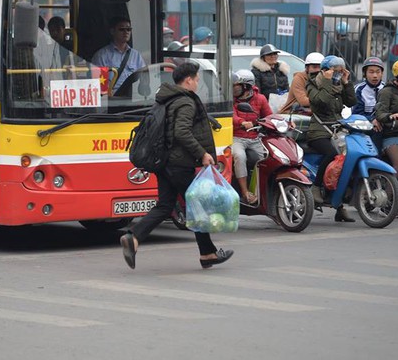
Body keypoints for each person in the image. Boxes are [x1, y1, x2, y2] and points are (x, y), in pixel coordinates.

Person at [119, 62, 234, 270]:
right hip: (179, 164)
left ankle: (133, 238)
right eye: (197, 79)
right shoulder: (185, 102)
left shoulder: (167, 99)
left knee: (165, 206)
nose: (198, 83)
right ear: (188, 79)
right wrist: (203, 153)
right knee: (197, 207)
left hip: (165, 162)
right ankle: (208, 253)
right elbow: (182, 132)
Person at [306, 55, 357, 221]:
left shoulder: (340, 84)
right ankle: (316, 187)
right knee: (331, 154)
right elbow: (321, 101)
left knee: (347, 160)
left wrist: (347, 82)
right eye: (334, 70)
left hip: (336, 129)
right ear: (325, 70)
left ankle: (339, 206)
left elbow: (351, 101)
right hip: (318, 130)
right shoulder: (313, 83)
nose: (337, 73)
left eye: (339, 71)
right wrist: (328, 81)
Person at [232, 69, 272, 204]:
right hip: (237, 137)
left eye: (236, 86)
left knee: (268, 158)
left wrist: (283, 122)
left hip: (255, 137)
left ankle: (264, 190)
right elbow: (231, 115)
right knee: (239, 156)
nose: (233, 88)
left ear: (246, 86)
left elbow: (269, 116)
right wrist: (242, 122)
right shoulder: (232, 100)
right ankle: (245, 192)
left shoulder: (260, 98)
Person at [91, 16, 145, 94]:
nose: (126, 32)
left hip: (133, 96)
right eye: (121, 29)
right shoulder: (101, 55)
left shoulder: (136, 55)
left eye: (128, 29)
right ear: (112, 31)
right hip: (113, 98)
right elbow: (99, 84)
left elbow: (143, 77)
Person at [352, 56, 385, 150]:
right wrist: (371, 120)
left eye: (378, 72)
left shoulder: (387, 89)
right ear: (365, 73)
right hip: (364, 126)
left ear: (382, 73)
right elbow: (356, 113)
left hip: (384, 126)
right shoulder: (359, 90)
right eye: (371, 72)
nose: (375, 75)